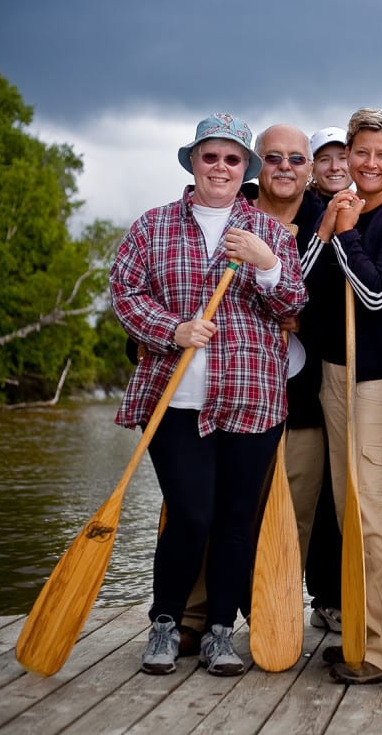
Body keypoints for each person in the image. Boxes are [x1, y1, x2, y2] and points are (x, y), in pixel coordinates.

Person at [110, 113, 306, 677]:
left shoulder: (268, 232)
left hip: (253, 400)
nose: (220, 167)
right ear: (193, 162)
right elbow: (125, 293)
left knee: (235, 521)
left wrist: (267, 265)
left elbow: (293, 305)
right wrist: (172, 331)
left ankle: (221, 631)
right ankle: (166, 624)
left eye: (232, 158)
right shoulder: (153, 226)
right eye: (210, 156)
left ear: (246, 168)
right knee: (191, 514)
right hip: (175, 401)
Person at [299, 108, 382, 685]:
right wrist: (329, 230)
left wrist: (347, 235)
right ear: (347, 157)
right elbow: (296, 292)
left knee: (375, 514)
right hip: (334, 376)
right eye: (361, 153)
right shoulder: (338, 210)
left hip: (378, 384)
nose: (369, 163)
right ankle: (360, 631)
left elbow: (378, 294)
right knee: (349, 511)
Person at [250, 124, 341, 635]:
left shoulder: (321, 220)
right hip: (236, 397)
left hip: (302, 400)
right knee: (227, 511)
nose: (285, 167)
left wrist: (304, 317)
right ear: (258, 164)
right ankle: (204, 615)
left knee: (296, 519)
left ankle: (278, 618)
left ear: (309, 171)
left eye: (296, 160)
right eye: (274, 158)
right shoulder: (235, 217)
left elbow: (339, 304)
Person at [309, 126, 352, 204]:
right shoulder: (297, 208)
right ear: (312, 168)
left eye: (342, 158)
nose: (334, 167)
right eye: (324, 159)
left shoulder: (366, 207)